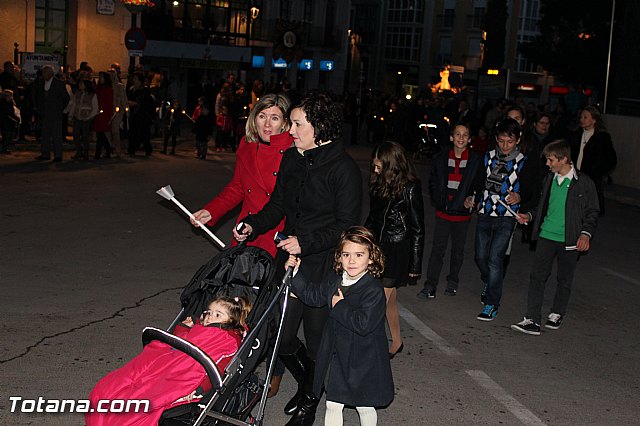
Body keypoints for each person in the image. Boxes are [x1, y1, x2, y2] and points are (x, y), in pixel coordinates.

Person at [234, 91, 362, 426]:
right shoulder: (291, 159)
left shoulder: (343, 168)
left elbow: (345, 225)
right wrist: (252, 223)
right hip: (290, 260)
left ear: (318, 127)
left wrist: (305, 243)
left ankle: (308, 404)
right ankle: (311, 382)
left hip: (323, 265)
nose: (289, 130)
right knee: (282, 335)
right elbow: (278, 205)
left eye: (296, 124)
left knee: (318, 337)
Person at [285, 226, 393, 426]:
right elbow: (314, 297)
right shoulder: (335, 280)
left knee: (364, 404)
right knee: (333, 403)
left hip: (362, 358)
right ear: (339, 257)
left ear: (371, 258)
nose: (352, 261)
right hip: (337, 354)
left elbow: (363, 324)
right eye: (346, 254)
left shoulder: (373, 290)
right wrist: (296, 274)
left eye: (359, 255)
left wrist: (340, 305)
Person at [85, 295, 251, 426]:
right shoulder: (199, 326)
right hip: (166, 363)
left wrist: (202, 388)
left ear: (230, 321)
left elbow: (219, 367)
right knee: (107, 390)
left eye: (217, 314)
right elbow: (177, 345)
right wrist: (184, 328)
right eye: (208, 312)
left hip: (183, 377)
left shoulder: (227, 340)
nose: (209, 316)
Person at [511, 140, 599, 335]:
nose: (548, 164)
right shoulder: (549, 179)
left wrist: (585, 234)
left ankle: (557, 312)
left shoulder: (583, 183)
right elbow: (542, 206)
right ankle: (532, 319)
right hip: (546, 235)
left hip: (569, 240)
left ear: (564, 159)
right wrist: (530, 216)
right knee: (537, 276)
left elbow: (592, 211)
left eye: (551, 160)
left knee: (564, 278)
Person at [191, 93, 292, 258]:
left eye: (274, 118)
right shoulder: (247, 144)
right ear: (254, 118)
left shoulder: (293, 151)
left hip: (276, 231)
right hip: (247, 229)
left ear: (285, 123)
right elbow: (238, 187)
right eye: (262, 116)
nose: (267, 124)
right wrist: (211, 211)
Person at [473, 118, 539, 321]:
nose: (504, 146)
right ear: (496, 139)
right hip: (484, 213)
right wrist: (472, 197)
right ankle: (491, 281)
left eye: (509, 142)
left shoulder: (523, 161)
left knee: (495, 259)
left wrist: (520, 197)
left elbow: (532, 190)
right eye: (501, 141)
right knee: (480, 257)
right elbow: (477, 182)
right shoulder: (487, 157)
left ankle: (492, 304)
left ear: (517, 139)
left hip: (506, 217)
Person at [364, 140, 424, 357]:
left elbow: (418, 227)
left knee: (377, 302)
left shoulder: (410, 187)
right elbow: (373, 218)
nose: (375, 168)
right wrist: (361, 242)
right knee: (390, 300)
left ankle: (369, 349)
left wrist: (415, 264)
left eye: (379, 164)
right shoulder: (378, 182)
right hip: (379, 246)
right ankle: (397, 341)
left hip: (398, 249)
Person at [417, 123, 481, 299]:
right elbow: (433, 181)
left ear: (469, 139)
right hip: (444, 213)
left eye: (465, 135)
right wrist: (438, 200)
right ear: (451, 137)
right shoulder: (441, 157)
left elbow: (477, 185)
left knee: (457, 251)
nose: (461, 138)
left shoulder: (475, 160)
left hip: (462, 215)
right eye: (457, 134)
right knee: (437, 249)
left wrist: (472, 199)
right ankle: (430, 285)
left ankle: (452, 281)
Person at [569, 106, 617, 215]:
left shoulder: (602, 138)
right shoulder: (575, 135)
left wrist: (597, 171)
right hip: (574, 176)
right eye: (581, 117)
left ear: (594, 120)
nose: (582, 120)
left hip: (591, 179)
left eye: (585, 117)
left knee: (588, 211)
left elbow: (611, 159)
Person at [32, 65, 70, 162]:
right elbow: (39, 97)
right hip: (45, 113)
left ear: (51, 73)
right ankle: (45, 154)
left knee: (56, 135)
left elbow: (66, 98)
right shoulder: (41, 83)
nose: (44, 74)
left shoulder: (59, 84)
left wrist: (59, 108)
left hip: (55, 113)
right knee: (45, 135)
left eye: (45, 72)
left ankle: (58, 155)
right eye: (43, 72)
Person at [66, 79, 99, 161]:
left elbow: (95, 108)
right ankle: (79, 151)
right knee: (76, 135)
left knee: (85, 136)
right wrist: (70, 115)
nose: (80, 85)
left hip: (86, 118)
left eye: (82, 84)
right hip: (77, 117)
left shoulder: (92, 95)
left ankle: (85, 152)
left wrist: (90, 117)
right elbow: (74, 104)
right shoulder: (77, 93)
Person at [127, 72, 155, 157]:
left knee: (144, 133)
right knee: (132, 132)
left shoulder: (145, 90)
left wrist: (136, 103)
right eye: (133, 79)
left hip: (143, 115)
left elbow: (146, 103)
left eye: (136, 79)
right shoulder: (131, 90)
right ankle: (131, 149)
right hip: (134, 114)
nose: (134, 80)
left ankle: (148, 149)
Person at [93, 72, 114, 160]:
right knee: (100, 133)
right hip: (98, 112)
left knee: (100, 133)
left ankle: (99, 153)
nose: (100, 79)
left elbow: (109, 103)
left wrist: (109, 115)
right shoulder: (98, 88)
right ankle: (107, 149)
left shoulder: (108, 89)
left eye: (101, 77)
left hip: (104, 113)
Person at [109, 69, 128, 157]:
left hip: (118, 111)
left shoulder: (119, 86)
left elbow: (124, 99)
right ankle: (110, 147)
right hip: (109, 110)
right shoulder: (107, 86)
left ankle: (118, 149)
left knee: (115, 129)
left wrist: (126, 109)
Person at [0, 89, 20, 154]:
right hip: (5, 121)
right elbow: (4, 114)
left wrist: (16, 118)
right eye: (10, 96)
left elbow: (12, 112)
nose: (11, 97)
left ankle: (6, 148)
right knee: (6, 136)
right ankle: (4, 148)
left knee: (10, 135)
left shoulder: (10, 103)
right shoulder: (3, 103)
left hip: (10, 121)